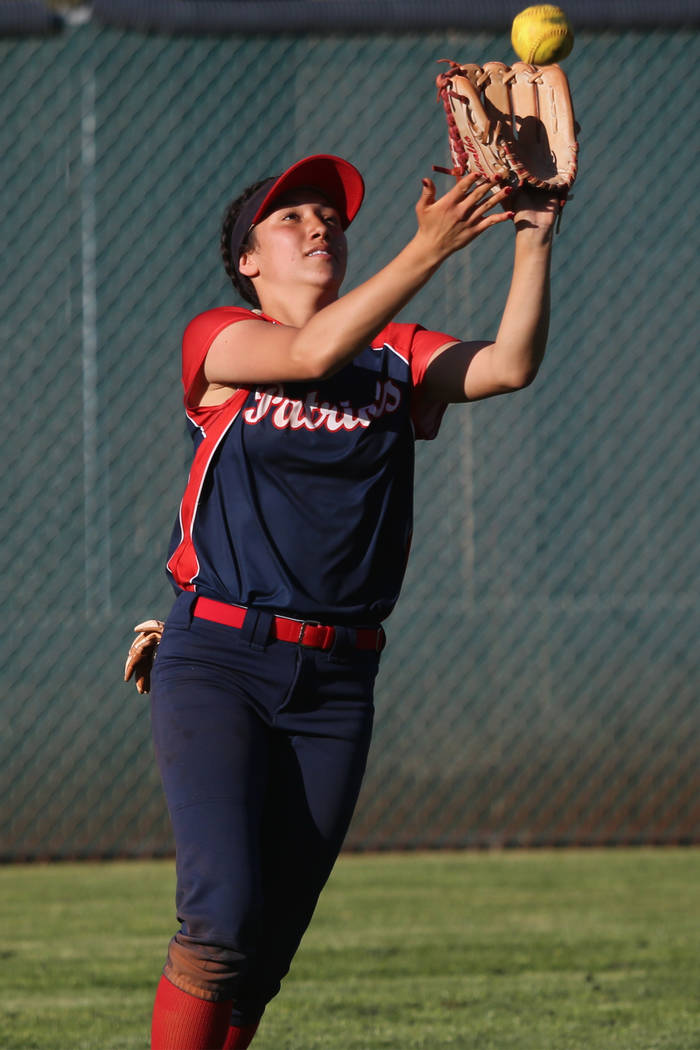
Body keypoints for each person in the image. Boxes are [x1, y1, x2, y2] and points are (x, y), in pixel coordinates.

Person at [125, 153, 561, 1049]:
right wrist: (428, 248)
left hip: (337, 682)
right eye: (291, 218)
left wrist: (534, 238)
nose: (319, 225)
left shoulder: (394, 357)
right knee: (220, 918)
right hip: (219, 662)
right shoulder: (222, 337)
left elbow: (510, 364)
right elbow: (310, 351)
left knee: (267, 950)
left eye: (329, 216)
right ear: (248, 260)